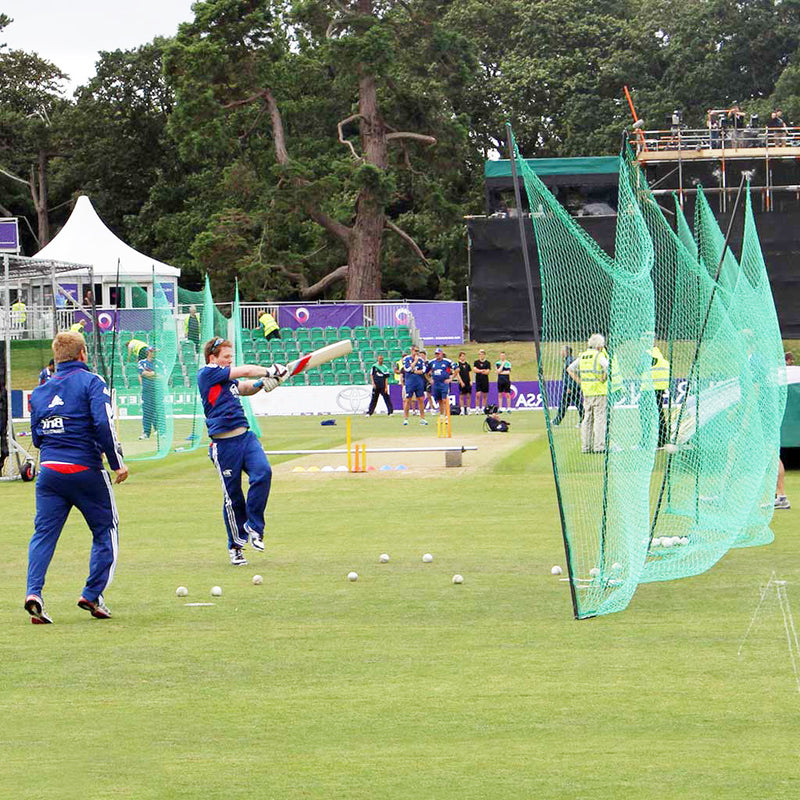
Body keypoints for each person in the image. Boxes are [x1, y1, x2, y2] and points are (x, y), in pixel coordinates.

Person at [24, 331, 127, 624]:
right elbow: (103, 423)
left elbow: (37, 437)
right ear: (83, 354)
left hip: (50, 472)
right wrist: (117, 463)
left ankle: (34, 593)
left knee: (43, 535)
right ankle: (92, 594)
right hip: (85, 470)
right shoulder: (92, 382)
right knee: (106, 530)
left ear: (56, 357)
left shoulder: (40, 391)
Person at [198, 337, 286, 566]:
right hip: (224, 445)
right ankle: (236, 546)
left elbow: (244, 387)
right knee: (233, 498)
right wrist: (269, 371)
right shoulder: (207, 373)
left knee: (263, 473)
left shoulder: (226, 379)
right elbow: (246, 371)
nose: (230, 361)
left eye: (231, 357)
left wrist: (263, 384)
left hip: (246, 438)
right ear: (212, 358)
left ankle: (254, 527)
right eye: (226, 357)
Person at [568, 334, 609, 454]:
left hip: (587, 392)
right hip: (599, 392)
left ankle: (586, 446)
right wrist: (603, 377)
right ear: (599, 346)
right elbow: (608, 367)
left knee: (587, 419)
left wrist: (579, 381)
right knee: (599, 419)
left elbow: (570, 369)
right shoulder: (599, 356)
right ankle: (599, 446)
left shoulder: (583, 356)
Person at [137, 346, 166, 441]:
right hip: (146, 391)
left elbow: (162, 376)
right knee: (147, 412)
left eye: (155, 351)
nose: (154, 353)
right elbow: (142, 373)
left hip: (158, 391)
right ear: (148, 352)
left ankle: (161, 432)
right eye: (152, 351)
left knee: (159, 411)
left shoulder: (160, 363)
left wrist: (150, 374)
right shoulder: (142, 362)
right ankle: (146, 433)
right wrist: (154, 374)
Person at [552, 345, 583, 426]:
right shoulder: (570, 360)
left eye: (562, 351)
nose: (561, 352)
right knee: (576, 403)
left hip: (570, 386)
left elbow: (570, 374)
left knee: (565, 404)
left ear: (566, 352)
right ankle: (583, 419)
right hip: (574, 386)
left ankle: (557, 421)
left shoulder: (569, 361)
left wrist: (569, 387)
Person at [402, 345, 428, 426]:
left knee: (420, 399)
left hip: (419, 382)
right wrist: (415, 362)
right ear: (412, 350)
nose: (416, 353)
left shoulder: (421, 360)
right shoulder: (406, 359)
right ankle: (406, 419)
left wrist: (415, 371)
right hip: (410, 382)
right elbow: (407, 369)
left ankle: (422, 418)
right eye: (415, 351)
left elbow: (424, 370)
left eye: (417, 351)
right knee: (408, 399)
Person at [428, 347, 455, 416]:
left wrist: (451, 378)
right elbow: (425, 372)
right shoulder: (432, 362)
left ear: (442, 354)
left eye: (438, 354)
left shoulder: (447, 362)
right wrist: (430, 379)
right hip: (436, 384)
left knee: (444, 399)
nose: (437, 355)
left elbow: (457, 369)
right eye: (436, 354)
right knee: (439, 400)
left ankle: (446, 415)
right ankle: (441, 414)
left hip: (444, 383)